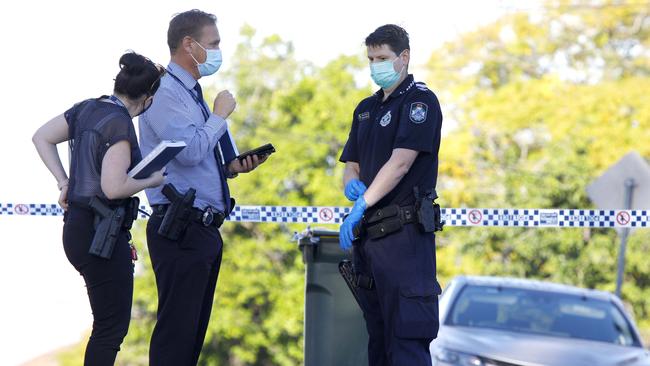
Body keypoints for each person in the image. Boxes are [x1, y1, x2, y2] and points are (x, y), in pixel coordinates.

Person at [138, 9, 267, 365]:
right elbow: (191, 151)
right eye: (213, 44)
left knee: (191, 338)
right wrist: (219, 115)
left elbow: (201, 155)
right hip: (180, 227)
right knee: (176, 337)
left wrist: (231, 166)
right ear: (188, 44)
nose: (218, 51)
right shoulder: (164, 92)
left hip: (202, 229)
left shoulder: (191, 93)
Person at [32, 51, 166, 365]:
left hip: (77, 228)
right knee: (110, 329)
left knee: (104, 325)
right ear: (147, 99)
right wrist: (151, 179)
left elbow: (41, 137)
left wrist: (63, 181)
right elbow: (113, 187)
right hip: (101, 234)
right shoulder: (119, 125)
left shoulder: (86, 108)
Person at [338, 24, 444, 366]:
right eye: (370, 58)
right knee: (379, 342)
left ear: (404, 57)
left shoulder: (419, 101)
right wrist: (351, 183)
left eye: (382, 57)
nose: (374, 65)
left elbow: (400, 163)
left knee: (406, 343)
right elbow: (350, 164)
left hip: (404, 239)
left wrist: (361, 204)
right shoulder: (365, 108)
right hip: (370, 241)